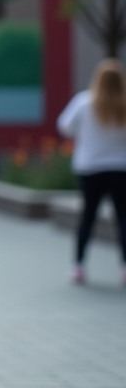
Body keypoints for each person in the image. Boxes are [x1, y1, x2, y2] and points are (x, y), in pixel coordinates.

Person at [57, 59, 126, 286]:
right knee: (123, 218)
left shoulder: (84, 103)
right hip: (120, 168)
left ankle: (78, 265)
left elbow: (64, 126)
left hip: (90, 168)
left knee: (88, 216)